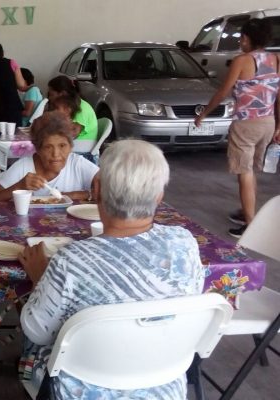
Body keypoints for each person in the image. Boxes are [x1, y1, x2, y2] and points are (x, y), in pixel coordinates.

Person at [18, 139, 204, 400]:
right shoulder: (184, 244)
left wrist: (40, 279)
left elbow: (37, 331)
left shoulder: (71, 260)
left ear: (97, 190)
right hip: (164, 388)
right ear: (159, 196)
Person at [194, 18, 280, 238]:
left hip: (245, 124)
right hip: (268, 123)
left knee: (244, 172)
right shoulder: (276, 59)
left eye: (242, 38)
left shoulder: (242, 60)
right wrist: (279, 125)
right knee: (251, 170)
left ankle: (250, 224)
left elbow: (223, 91)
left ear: (247, 38)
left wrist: (204, 113)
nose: (240, 42)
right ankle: (246, 210)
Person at [0, 111, 99, 202]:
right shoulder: (24, 167)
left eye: (62, 146)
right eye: (48, 147)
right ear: (38, 149)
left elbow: (106, 188)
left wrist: (76, 195)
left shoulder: (76, 164)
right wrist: (19, 186)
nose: (56, 154)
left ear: (70, 147)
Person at [47, 75, 98, 141]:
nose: (49, 98)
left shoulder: (81, 108)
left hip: (82, 144)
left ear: (62, 94)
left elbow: (72, 134)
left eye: (51, 94)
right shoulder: (71, 105)